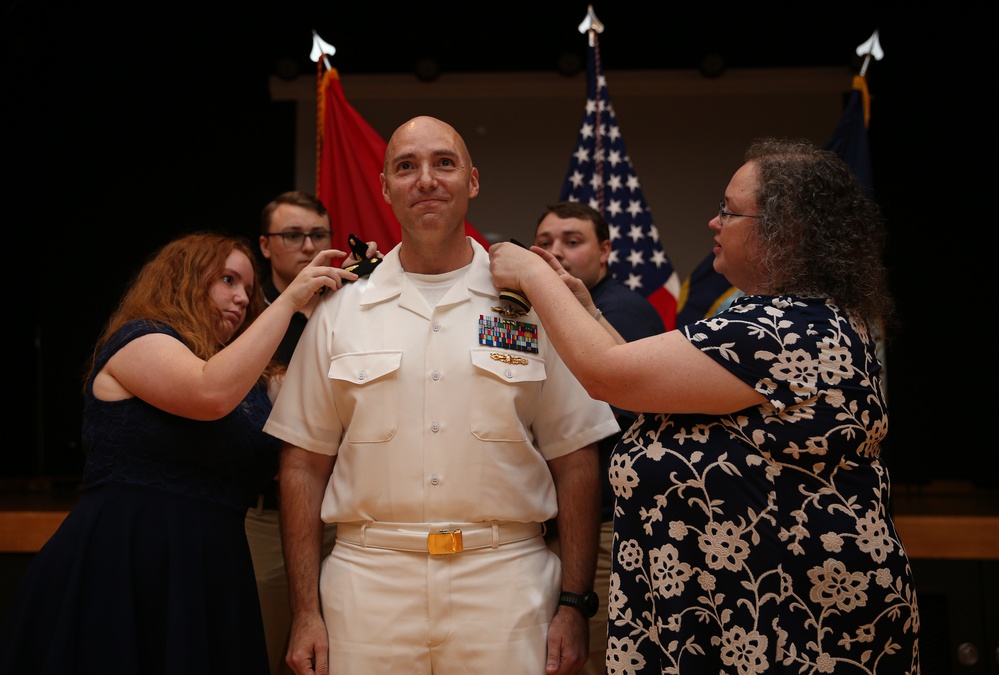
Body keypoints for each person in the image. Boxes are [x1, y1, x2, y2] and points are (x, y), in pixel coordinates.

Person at [490, 138, 920, 673]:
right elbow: (652, 387)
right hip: (738, 613)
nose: (713, 223)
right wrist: (586, 309)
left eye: (729, 211)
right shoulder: (778, 321)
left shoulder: (786, 329)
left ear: (783, 232)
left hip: (795, 625)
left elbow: (608, 377)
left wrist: (532, 273)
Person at [263, 116, 620, 675]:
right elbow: (303, 465)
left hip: (506, 581)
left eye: (443, 163)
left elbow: (574, 459)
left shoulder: (529, 302)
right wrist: (306, 611)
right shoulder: (340, 311)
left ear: (472, 181)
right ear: (385, 188)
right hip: (368, 584)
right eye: (406, 167)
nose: (425, 179)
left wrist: (574, 604)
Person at [0, 231, 357, 674]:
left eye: (248, 288)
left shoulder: (255, 380)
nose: (243, 298)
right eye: (228, 280)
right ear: (182, 280)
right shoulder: (138, 339)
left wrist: (354, 295)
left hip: (211, 569)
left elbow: (327, 399)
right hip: (124, 563)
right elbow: (208, 391)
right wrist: (288, 301)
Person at [533, 200, 666, 674]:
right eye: (545, 242)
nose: (557, 253)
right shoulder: (541, 311)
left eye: (572, 241)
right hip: (553, 527)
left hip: (609, 527)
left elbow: (626, 404)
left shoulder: (620, 310)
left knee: (592, 658)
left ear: (605, 251)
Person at [247, 191, 342, 675]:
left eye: (318, 235)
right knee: (264, 647)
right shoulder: (240, 308)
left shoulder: (350, 304)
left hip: (343, 518)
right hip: (265, 513)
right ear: (265, 245)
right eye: (292, 235)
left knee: (336, 657)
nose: (307, 246)